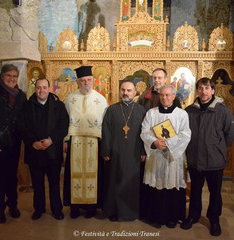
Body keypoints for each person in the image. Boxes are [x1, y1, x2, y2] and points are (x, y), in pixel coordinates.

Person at [180, 77, 234, 236]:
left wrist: (218, 147)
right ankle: (193, 216)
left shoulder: (222, 111)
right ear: (197, 90)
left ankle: (214, 220)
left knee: (215, 192)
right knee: (195, 190)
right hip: (195, 159)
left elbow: (230, 134)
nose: (204, 91)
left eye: (207, 88)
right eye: (201, 88)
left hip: (214, 160)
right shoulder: (189, 111)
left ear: (212, 90)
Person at [140, 84, 191, 228]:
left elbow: (185, 135)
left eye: (168, 95)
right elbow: (144, 132)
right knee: (156, 183)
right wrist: (154, 142)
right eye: (162, 95)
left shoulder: (182, 114)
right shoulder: (151, 113)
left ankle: (172, 217)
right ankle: (155, 216)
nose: (165, 98)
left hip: (173, 157)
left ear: (174, 96)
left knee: (172, 184)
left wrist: (169, 144)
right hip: (155, 156)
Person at [20, 78, 69, 220]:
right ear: (35, 89)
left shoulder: (58, 106)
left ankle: (56, 209)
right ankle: (39, 209)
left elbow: (63, 126)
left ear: (49, 89)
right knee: (37, 183)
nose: (41, 90)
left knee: (54, 183)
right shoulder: (27, 106)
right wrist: (32, 142)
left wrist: (51, 140)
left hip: (52, 151)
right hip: (34, 151)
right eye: (39, 88)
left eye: (44, 87)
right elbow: (22, 127)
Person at [63, 65, 108, 219]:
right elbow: (64, 121)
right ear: (78, 82)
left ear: (93, 80)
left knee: (93, 175)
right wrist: (65, 140)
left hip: (94, 142)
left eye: (89, 80)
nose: (86, 83)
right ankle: (75, 207)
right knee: (73, 175)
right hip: (74, 141)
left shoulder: (100, 99)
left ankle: (91, 207)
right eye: (83, 81)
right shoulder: (70, 98)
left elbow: (105, 124)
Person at [101, 80, 146, 221]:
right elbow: (106, 131)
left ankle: (131, 212)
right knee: (114, 181)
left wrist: (144, 151)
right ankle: (114, 212)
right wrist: (106, 151)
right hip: (116, 152)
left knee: (131, 183)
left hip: (134, 153)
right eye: (123, 90)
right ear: (120, 91)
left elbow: (145, 134)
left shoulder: (141, 110)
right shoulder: (112, 109)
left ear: (135, 93)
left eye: (129, 90)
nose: (125, 93)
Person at [0, 64, 26, 223]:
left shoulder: (21, 95)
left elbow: (24, 119)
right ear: (2, 76)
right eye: (9, 76)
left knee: (12, 178)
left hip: (14, 143)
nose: (12, 79)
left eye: (15, 76)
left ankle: (12, 205)